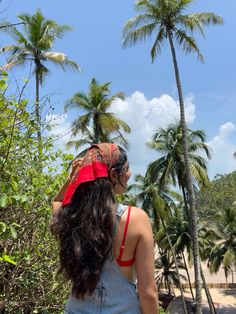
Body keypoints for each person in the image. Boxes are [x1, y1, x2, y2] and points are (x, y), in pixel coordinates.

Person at [51, 143, 158, 314]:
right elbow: (148, 293)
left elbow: (57, 202)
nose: (129, 173)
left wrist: (73, 178)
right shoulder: (136, 219)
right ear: (114, 174)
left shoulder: (70, 216)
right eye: (127, 168)